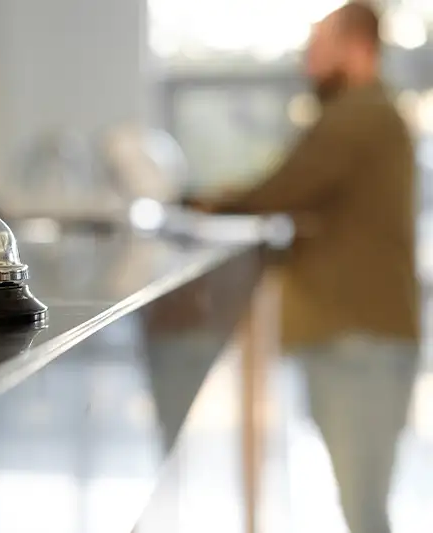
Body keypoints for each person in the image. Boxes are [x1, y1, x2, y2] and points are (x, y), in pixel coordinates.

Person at [185, 4, 418, 533]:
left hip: (359, 338)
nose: (308, 63)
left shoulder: (359, 115)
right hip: (355, 336)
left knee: (364, 509)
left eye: (320, 48)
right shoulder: (361, 113)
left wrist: (202, 204)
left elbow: (282, 188)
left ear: (358, 47)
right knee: (359, 503)